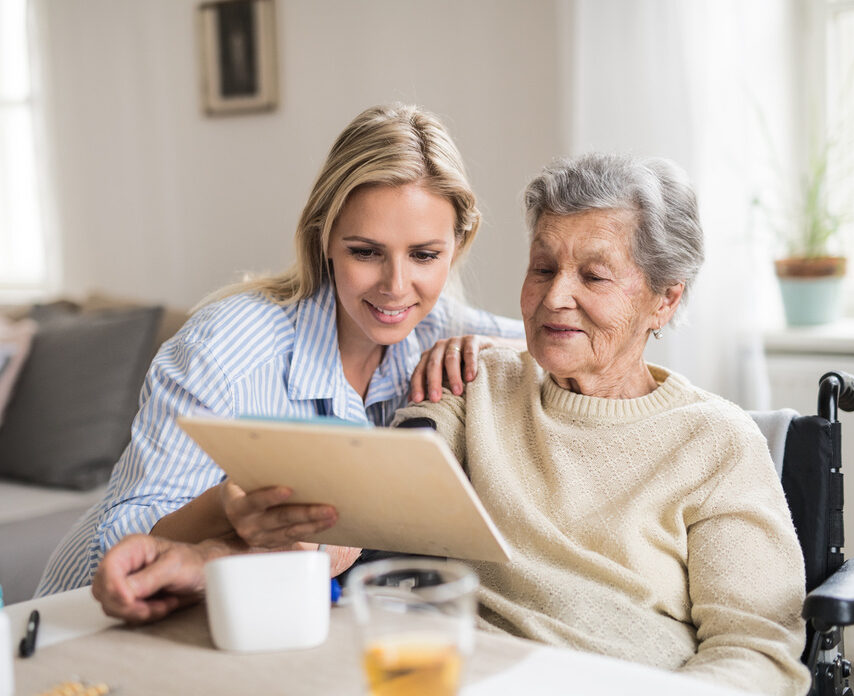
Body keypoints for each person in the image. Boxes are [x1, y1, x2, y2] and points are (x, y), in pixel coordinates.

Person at [89, 152, 809, 695]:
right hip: (441, 674)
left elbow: (755, 650)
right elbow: (346, 530)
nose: (554, 297)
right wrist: (205, 559)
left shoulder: (717, 442)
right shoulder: (468, 383)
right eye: (541, 268)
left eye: (592, 276)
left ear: (665, 300)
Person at [36, 103, 523, 597]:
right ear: (324, 237)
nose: (396, 286)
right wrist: (223, 507)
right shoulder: (223, 350)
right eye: (365, 252)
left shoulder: (441, 328)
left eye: (424, 255)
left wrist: (491, 346)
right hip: (82, 613)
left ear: (458, 246)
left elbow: (555, 342)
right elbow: (119, 542)